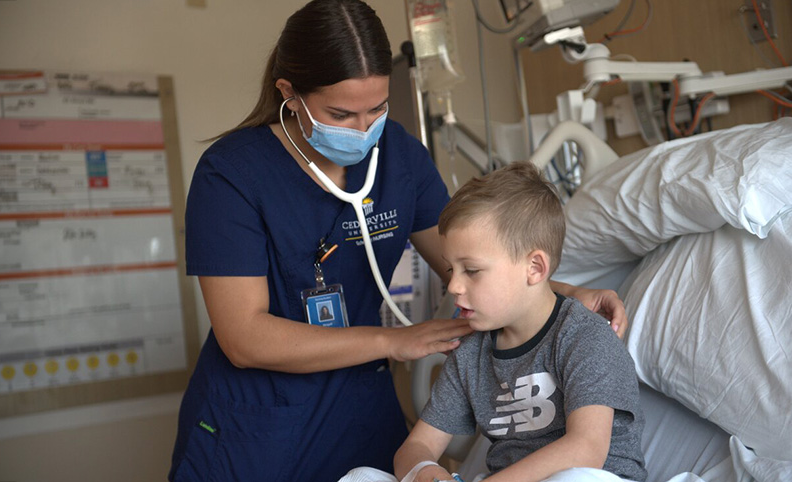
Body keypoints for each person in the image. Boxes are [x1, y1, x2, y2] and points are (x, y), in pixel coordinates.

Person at [168, 1, 629, 480]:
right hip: (257, 426)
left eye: (377, 109)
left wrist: (569, 294)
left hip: (359, 414)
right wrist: (396, 341)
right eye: (342, 114)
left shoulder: (399, 157)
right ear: (290, 94)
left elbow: (473, 264)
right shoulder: (232, 174)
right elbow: (243, 337)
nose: (365, 130)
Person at [386, 162, 647, 482]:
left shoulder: (584, 339)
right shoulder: (470, 355)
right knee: (362, 477)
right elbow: (416, 446)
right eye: (451, 270)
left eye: (471, 270)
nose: (453, 285)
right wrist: (425, 471)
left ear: (535, 268)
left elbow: (586, 449)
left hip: (592, 477)